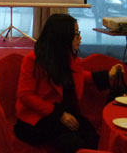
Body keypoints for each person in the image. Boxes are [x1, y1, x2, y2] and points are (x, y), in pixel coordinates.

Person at [14, 13, 124, 153]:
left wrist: (107, 76)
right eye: (76, 34)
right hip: (40, 118)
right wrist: (59, 114)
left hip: (64, 113)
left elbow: (77, 76)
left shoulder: (66, 55)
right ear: (62, 36)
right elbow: (25, 95)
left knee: (94, 140)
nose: (80, 38)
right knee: (75, 144)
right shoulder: (33, 60)